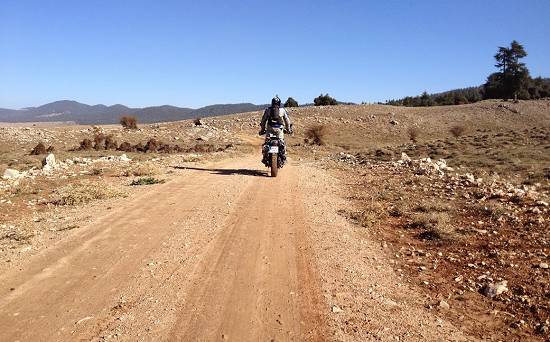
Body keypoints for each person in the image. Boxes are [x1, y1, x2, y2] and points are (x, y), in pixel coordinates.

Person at [259, 95, 292, 165]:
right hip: (279, 130)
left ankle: (265, 157)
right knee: (282, 144)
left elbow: (263, 121)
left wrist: (262, 130)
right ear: (279, 103)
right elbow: (287, 121)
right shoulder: (282, 110)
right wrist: (288, 129)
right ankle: (283, 157)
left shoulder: (268, 110)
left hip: (269, 129)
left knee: (266, 144)